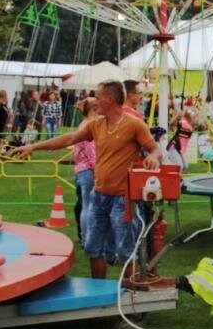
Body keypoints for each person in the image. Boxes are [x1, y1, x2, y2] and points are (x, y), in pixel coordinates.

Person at [11, 80, 161, 278]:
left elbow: (156, 150)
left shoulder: (134, 125)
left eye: (97, 97)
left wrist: (153, 157)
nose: (94, 102)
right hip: (98, 195)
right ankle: (98, 290)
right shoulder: (96, 125)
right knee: (92, 248)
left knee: (125, 251)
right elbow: (68, 139)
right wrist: (34, 146)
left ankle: (132, 293)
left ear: (109, 99)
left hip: (123, 198)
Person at [72, 97, 99, 248]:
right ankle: (88, 240)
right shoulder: (90, 126)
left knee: (86, 205)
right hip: (90, 170)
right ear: (94, 110)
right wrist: (97, 170)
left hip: (81, 169)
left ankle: (85, 239)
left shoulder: (82, 125)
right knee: (90, 206)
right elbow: (92, 152)